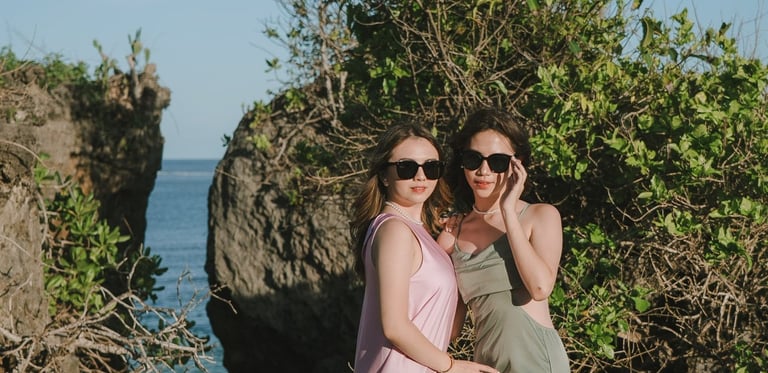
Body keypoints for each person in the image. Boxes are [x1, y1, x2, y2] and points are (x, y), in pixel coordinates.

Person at [352, 121, 498, 373]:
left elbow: (448, 330)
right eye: (406, 167)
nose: (420, 176)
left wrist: (450, 251)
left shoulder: (417, 233)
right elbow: (394, 326)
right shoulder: (395, 231)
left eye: (431, 167)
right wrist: (452, 367)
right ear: (384, 176)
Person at [438, 108, 570, 373]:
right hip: (486, 366)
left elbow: (540, 288)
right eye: (473, 159)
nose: (483, 170)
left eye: (497, 161)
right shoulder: (452, 233)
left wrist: (508, 212)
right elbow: (449, 328)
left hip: (538, 363)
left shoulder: (540, 216)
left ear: (517, 164)